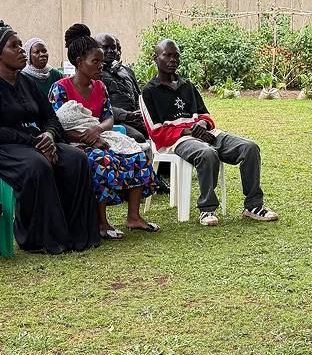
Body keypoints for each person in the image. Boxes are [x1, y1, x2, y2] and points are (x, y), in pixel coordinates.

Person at [140, 39, 278, 226]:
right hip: (177, 141)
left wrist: (203, 125)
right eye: (167, 55)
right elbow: (156, 133)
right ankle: (207, 209)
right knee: (207, 153)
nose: (173, 59)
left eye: (176, 56)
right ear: (155, 58)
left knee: (249, 148)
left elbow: (206, 116)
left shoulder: (187, 86)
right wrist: (189, 130)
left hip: (205, 133)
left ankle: (253, 206)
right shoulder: (148, 92)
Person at [49, 24, 160, 240]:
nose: (101, 66)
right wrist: (88, 139)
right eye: (96, 61)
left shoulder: (100, 87)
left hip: (99, 136)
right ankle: (101, 222)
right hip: (70, 142)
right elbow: (57, 124)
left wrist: (97, 129)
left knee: (136, 155)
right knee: (101, 161)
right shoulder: (60, 88)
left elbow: (108, 117)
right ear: (80, 63)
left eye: (101, 61)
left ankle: (133, 217)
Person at [0, 21, 99, 254]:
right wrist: (37, 143)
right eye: (14, 46)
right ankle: (39, 239)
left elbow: (50, 117)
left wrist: (49, 135)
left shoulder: (26, 82)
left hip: (36, 140)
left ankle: (76, 233)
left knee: (76, 159)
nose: (21, 51)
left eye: (21, 45)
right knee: (38, 166)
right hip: (7, 146)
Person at [96, 32, 170, 194]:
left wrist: (143, 113)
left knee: (162, 129)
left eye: (113, 48)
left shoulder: (127, 71)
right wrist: (126, 115)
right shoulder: (96, 75)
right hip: (115, 120)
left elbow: (139, 97)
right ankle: (149, 181)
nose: (110, 51)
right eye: (105, 48)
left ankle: (164, 170)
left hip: (135, 116)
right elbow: (99, 107)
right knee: (137, 137)